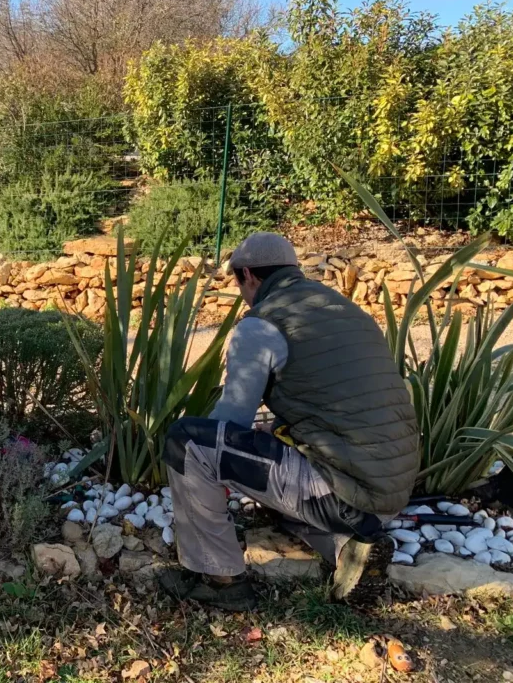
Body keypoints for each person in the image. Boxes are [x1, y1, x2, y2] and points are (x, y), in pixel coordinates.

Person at [159, 232, 419, 610]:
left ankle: (220, 581)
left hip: (342, 491)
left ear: (247, 275)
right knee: (275, 474)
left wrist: (197, 475)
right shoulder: (346, 311)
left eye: (238, 283)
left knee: (189, 443)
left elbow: (230, 423)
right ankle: (349, 548)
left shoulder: (261, 324)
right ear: (292, 270)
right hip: (391, 489)